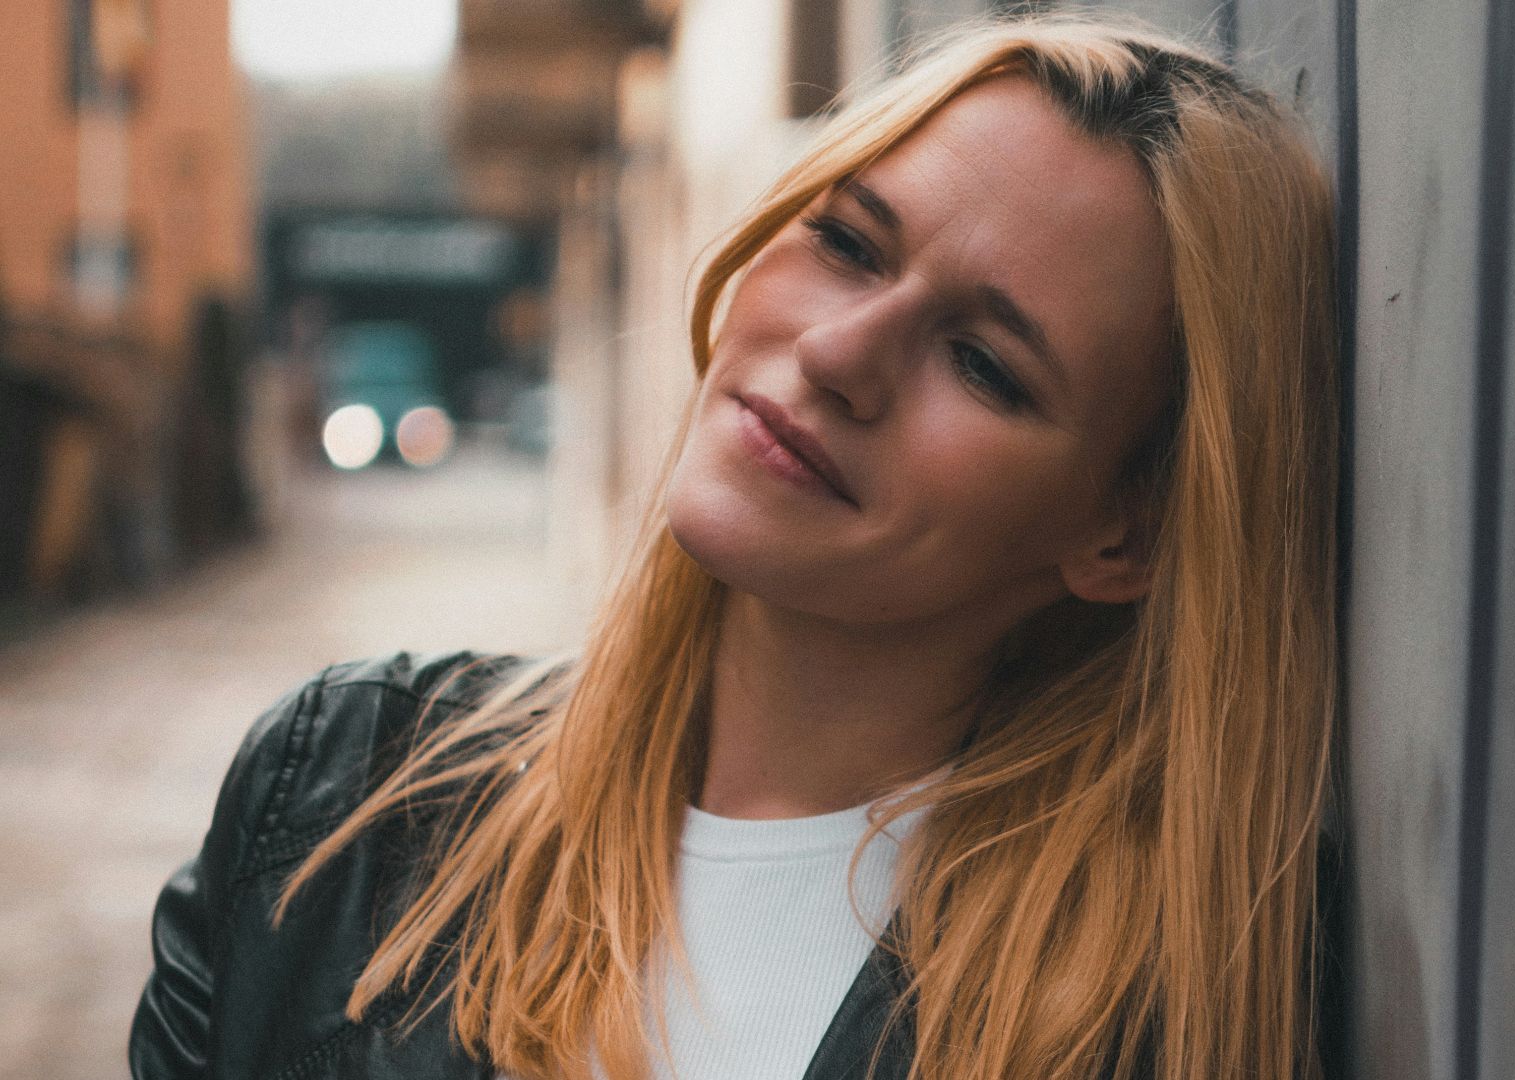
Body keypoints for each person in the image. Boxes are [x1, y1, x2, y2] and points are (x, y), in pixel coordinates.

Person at [130, 13, 1339, 1080]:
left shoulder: (1160, 1010)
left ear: (1121, 533)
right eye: (852, 245)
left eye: (983, 364)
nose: (836, 354)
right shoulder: (337, 804)